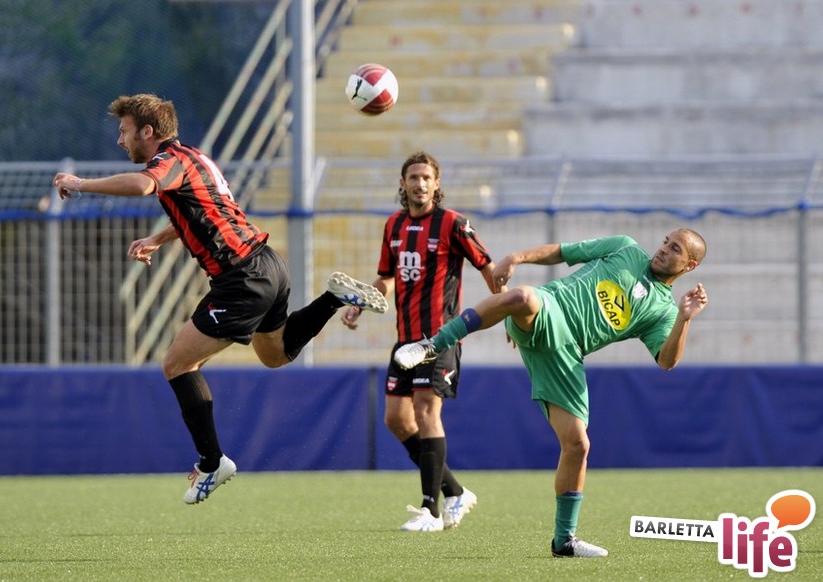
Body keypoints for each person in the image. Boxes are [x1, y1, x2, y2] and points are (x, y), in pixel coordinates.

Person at [52, 93, 387, 505]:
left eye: (124, 131)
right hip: (267, 265)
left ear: (147, 131)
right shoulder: (195, 157)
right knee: (276, 354)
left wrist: (80, 184)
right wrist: (159, 237)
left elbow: (142, 185)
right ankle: (333, 298)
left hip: (240, 279)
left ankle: (212, 462)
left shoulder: (168, 161)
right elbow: (208, 210)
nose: (120, 140)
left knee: (177, 364)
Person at [394, 229, 708, 555]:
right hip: (548, 310)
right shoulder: (625, 248)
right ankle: (433, 344)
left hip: (566, 354)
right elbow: (562, 251)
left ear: (690, 265)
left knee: (577, 445)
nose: (664, 249)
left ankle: (564, 540)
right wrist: (516, 257)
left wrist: (684, 319)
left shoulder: (663, 310)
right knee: (522, 297)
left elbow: (666, 361)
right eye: (666, 242)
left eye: (675, 249)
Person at [340, 151, 497, 532]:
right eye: (414, 177)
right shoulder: (393, 225)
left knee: (427, 411)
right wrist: (361, 303)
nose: (420, 184)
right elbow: (386, 277)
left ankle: (431, 510)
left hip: (440, 337)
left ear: (437, 184)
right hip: (405, 339)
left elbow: (488, 267)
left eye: (427, 178)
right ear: (403, 183)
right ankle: (455, 491)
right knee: (396, 420)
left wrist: (508, 314)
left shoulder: (454, 223)